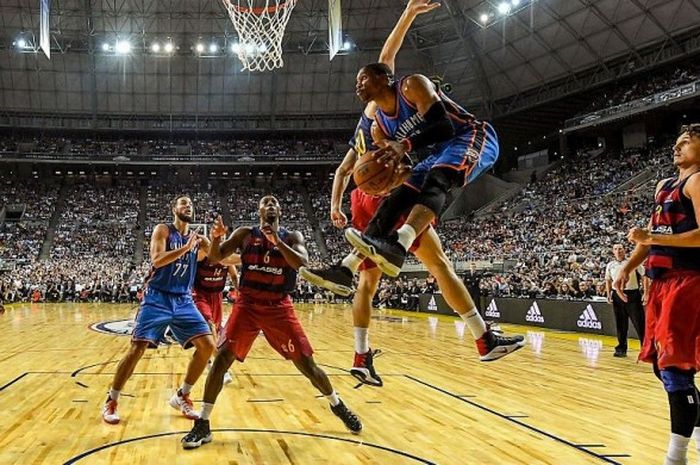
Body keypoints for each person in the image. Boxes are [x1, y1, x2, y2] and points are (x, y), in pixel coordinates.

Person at [299, 0, 440, 387]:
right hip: (382, 193)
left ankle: (360, 351)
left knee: (370, 280)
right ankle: (482, 335)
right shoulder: (380, 114)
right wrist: (408, 13)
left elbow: (344, 169)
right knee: (438, 263)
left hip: (362, 194)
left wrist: (334, 205)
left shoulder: (367, 119)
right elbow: (386, 57)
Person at [181, 196, 362, 450]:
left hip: (278, 307)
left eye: (274, 202)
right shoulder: (245, 234)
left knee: (307, 365)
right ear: (259, 211)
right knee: (221, 360)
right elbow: (216, 257)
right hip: (248, 306)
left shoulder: (291, 237)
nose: (270, 205)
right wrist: (218, 238)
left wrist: (277, 241)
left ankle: (337, 404)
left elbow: (302, 263)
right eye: (265, 202)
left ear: (280, 210)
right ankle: (203, 423)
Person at [614, 124, 700, 465]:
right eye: (676, 142)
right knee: (662, 369)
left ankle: (675, 457)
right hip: (661, 281)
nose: (677, 147)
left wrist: (650, 239)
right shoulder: (664, 186)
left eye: (687, 143)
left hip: (688, 277)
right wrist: (626, 266)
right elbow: (654, 236)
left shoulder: (697, 181)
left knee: (676, 369)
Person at [101, 195, 216, 424]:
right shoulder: (163, 230)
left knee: (208, 346)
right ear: (174, 209)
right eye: (184, 203)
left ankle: (182, 395)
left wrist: (249, 255)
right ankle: (111, 400)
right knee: (137, 349)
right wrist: (185, 249)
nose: (188, 206)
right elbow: (157, 260)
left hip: (183, 299)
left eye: (191, 204)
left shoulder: (199, 239)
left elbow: (222, 258)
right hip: (157, 297)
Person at [193, 243, 240, 385]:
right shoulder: (202, 256)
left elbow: (234, 276)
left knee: (215, 333)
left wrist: (240, 292)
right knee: (209, 327)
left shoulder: (226, 260)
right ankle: (221, 369)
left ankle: (206, 359)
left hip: (216, 296)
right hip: (200, 295)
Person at [604, 243, 645, 357]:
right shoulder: (610, 265)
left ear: (624, 250)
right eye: (616, 249)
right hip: (617, 295)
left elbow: (644, 275)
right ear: (613, 251)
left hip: (632, 294)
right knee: (620, 323)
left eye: (620, 249)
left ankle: (646, 348)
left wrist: (646, 292)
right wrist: (608, 294)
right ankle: (621, 348)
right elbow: (608, 280)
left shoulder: (632, 262)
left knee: (639, 323)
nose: (618, 251)